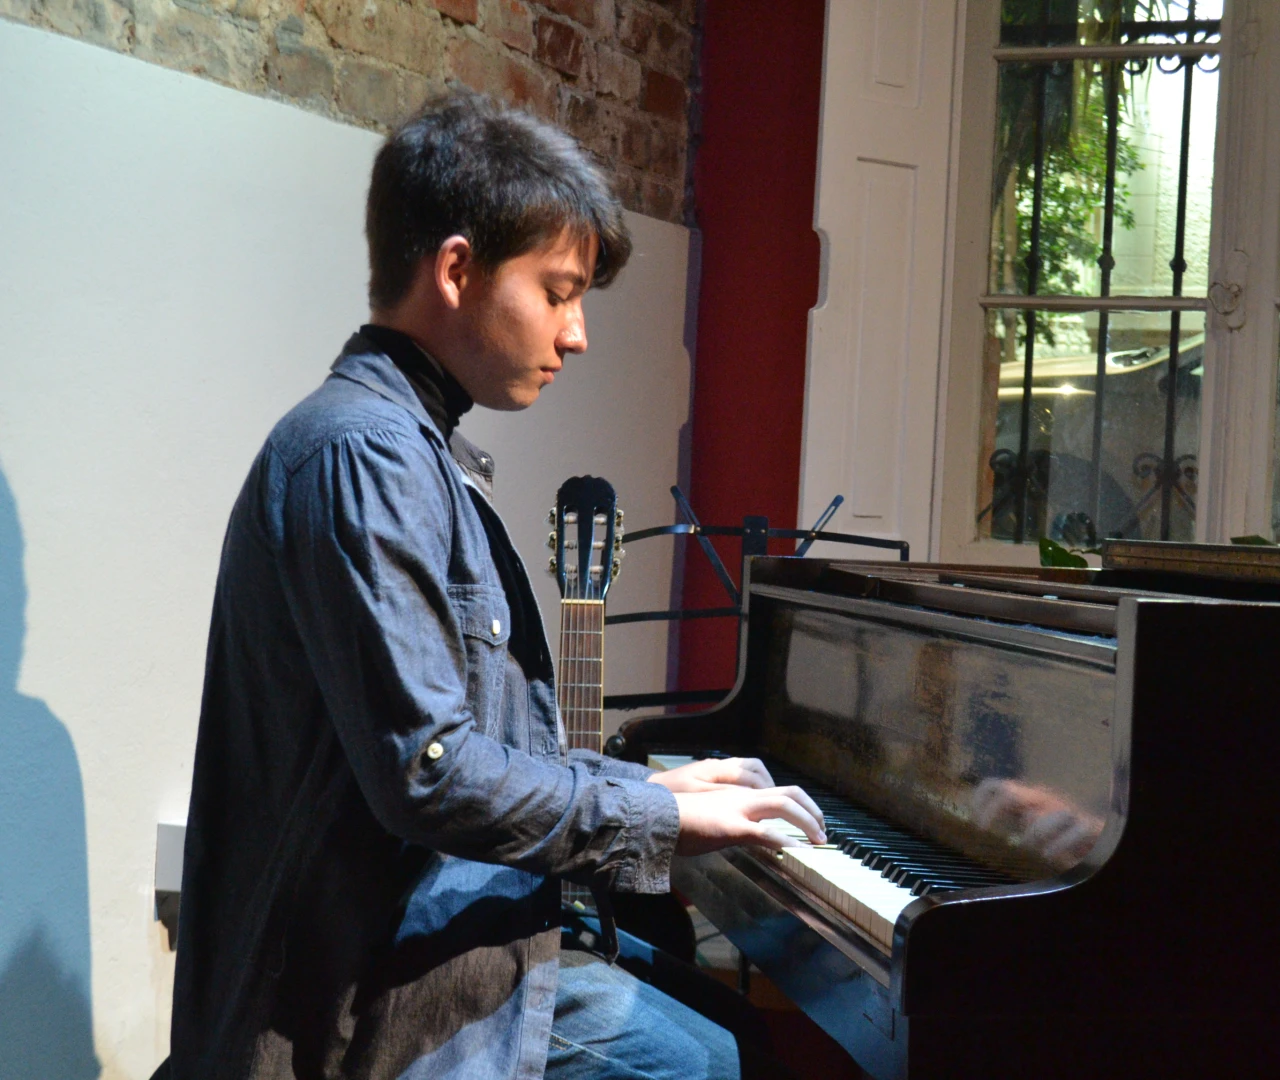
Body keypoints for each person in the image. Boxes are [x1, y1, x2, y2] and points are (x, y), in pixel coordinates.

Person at [166, 92, 825, 1080]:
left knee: (736, 1029)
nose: (577, 334)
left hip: (425, 933)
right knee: (713, 1061)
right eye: (558, 293)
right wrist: (654, 819)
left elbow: (476, 746)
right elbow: (430, 771)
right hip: (362, 999)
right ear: (457, 270)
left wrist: (644, 787)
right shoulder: (365, 455)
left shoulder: (407, 446)